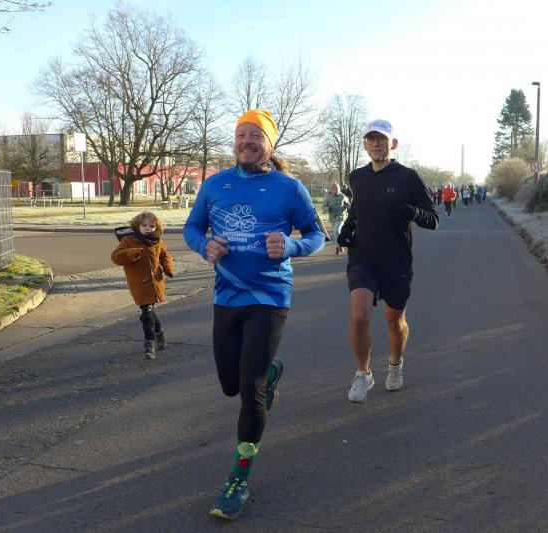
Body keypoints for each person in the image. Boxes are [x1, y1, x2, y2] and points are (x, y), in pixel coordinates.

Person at [183, 109, 325, 520]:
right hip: (227, 296)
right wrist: (204, 246)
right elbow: (192, 228)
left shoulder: (289, 188)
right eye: (241, 134)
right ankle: (271, 370)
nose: (246, 141)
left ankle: (239, 477)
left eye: (255, 135)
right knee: (230, 385)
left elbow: (317, 234)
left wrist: (291, 246)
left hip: (269, 297)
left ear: (269, 143)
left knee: (250, 388)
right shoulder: (215, 185)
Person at [337, 119, 439, 402]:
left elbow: (433, 219)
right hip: (363, 256)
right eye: (370, 139)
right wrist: (347, 229)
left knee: (394, 321)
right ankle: (363, 374)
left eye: (381, 139)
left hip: (396, 260)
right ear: (364, 145)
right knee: (359, 316)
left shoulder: (408, 177)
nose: (375, 144)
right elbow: (357, 210)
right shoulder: (357, 177)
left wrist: (413, 213)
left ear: (393, 143)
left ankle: (395, 365)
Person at [111, 211, 175, 360]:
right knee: (147, 312)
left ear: (157, 227)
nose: (148, 228)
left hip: (155, 282)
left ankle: (153, 338)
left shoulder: (158, 241)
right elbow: (116, 257)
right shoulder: (129, 240)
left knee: (147, 313)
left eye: (151, 226)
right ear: (138, 225)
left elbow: (165, 255)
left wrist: (168, 268)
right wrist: (132, 252)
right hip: (138, 282)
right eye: (144, 225)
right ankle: (155, 336)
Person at [322, 182, 351, 254]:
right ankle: (340, 245)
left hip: (341, 216)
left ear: (339, 188)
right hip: (332, 217)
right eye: (334, 188)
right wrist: (327, 209)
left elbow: (348, 205)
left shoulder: (343, 196)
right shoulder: (329, 197)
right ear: (331, 189)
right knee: (336, 233)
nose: (335, 189)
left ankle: (338, 247)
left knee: (336, 231)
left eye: (337, 188)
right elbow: (323, 207)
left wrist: (350, 210)